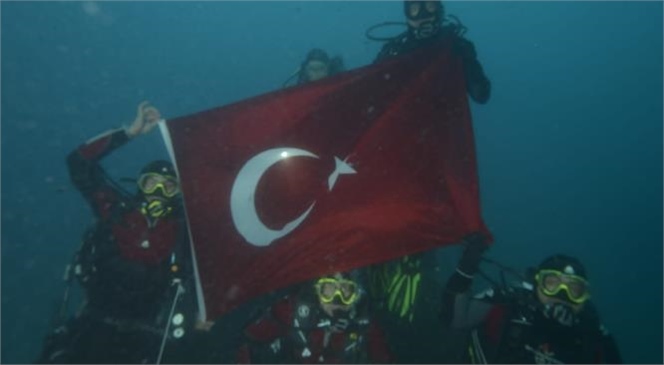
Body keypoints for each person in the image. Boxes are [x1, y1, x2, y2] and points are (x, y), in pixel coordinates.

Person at [36, 101, 196, 364]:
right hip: (92, 324)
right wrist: (128, 133)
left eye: (168, 187)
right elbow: (77, 163)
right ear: (139, 186)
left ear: (177, 194)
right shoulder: (114, 210)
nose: (158, 192)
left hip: (146, 336)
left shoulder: (183, 230)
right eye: (151, 183)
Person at [439, 235, 623, 363]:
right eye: (552, 283)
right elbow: (455, 318)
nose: (562, 294)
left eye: (575, 289)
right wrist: (466, 268)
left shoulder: (593, 334)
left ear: (584, 298)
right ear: (536, 285)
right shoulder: (508, 304)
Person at [236, 270, 392, 364]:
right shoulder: (291, 311)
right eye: (329, 290)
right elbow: (249, 340)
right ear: (317, 291)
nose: (337, 300)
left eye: (346, 291)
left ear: (356, 296)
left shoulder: (364, 325)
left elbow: (384, 359)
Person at [374, 0, 491, 104]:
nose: (423, 15)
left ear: (439, 11)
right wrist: (386, 62)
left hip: (444, 122)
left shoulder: (457, 47)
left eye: (430, 6)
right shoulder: (395, 50)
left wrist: (469, 63)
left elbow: (481, 95)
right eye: (414, 10)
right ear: (407, 17)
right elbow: (371, 92)